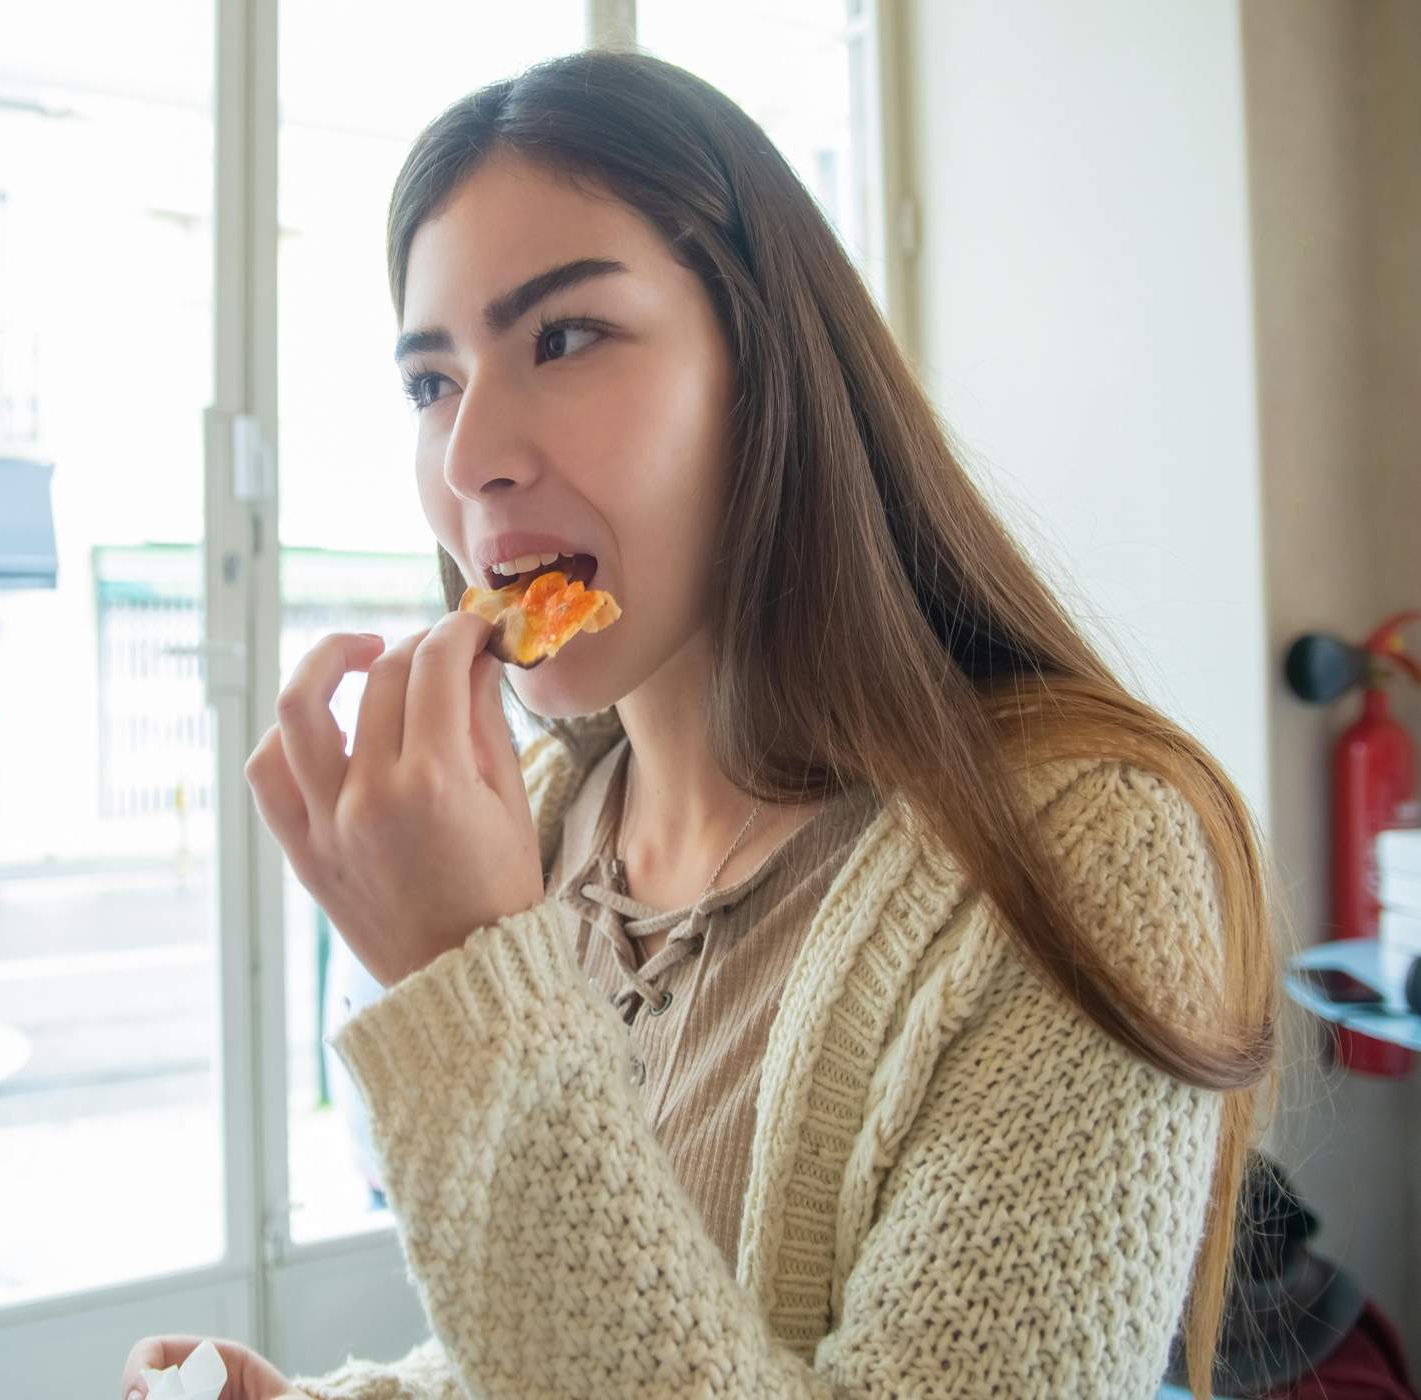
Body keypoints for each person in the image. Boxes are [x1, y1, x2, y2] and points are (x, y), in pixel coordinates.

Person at [124, 50, 1282, 1400]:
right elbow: (567, 1330)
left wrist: (464, 981)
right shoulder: (548, 823)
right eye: (430, 381)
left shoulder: (1085, 851)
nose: (468, 455)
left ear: (768, 371)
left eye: (563, 338)